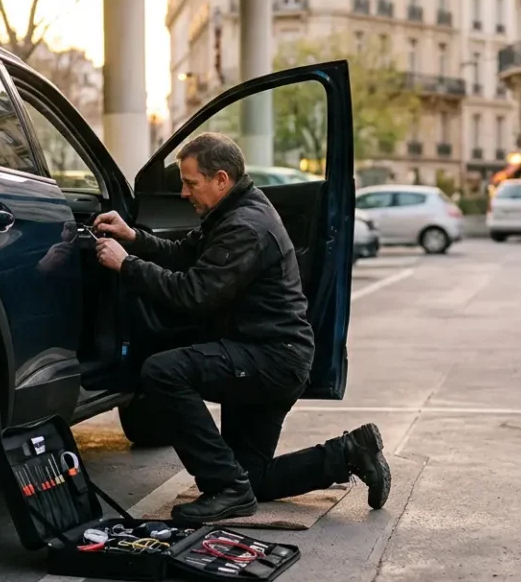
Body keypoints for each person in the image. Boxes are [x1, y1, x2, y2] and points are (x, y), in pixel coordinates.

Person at [91, 132, 392, 522]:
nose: (184, 193)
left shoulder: (245, 225)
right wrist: (134, 239)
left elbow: (193, 293)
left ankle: (225, 488)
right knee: (253, 479)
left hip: (268, 359)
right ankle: (352, 452)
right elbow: (186, 253)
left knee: (162, 372)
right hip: (270, 354)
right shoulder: (234, 210)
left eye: (190, 182)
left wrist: (126, 264)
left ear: (221, 179)